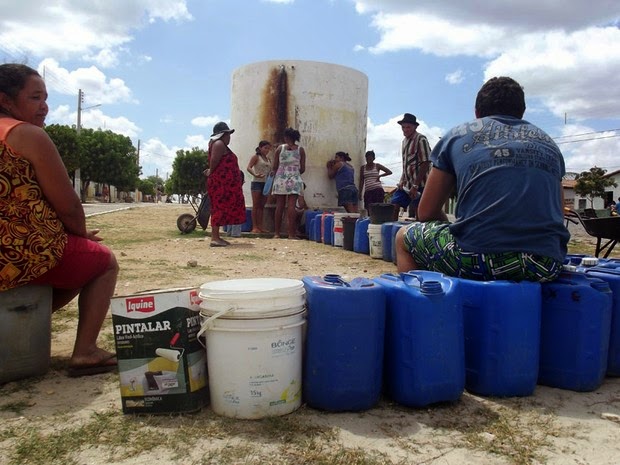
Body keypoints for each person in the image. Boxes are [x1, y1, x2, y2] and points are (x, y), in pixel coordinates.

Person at [0, 63, 119, 377]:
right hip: (16, 253)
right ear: (6, 100)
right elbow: (68, 206)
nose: (44, 106)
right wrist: (82, 236)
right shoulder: (26, 135)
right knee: (102, 261)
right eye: (35, 97)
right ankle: (85, 352)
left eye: (45, 97)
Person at [395, 76, 570, 282]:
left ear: (477, 113)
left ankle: (421, 305)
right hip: (545, 263)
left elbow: (425, 212)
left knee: (403, 236)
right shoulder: (549, 143)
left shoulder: (457, 136)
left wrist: (453, 229)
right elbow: (558, 213)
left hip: (478, 258)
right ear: (522, 112)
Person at [206, 121, 246, 247]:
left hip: (226, 184)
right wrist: (210, 171)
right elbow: (214, 161)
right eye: (228, 134)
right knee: (218, 208)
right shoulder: (218, 144)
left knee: (223, 208)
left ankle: (217, 237)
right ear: (222, 134)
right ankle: (215, 237)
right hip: (220, 184)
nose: (229, 137)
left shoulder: (220, 144)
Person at [393, 113, 431, 219]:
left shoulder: (421, 139)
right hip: (407, 184)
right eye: (403, 127)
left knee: (420, 213)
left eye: (408, 127)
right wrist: (401, 181)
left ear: (415, 127)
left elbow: (426, 162)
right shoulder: (404, 142)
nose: (405, 130)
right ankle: (392, 233)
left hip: (421, 185)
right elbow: (406, 165)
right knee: (393, 205)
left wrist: (416, 185)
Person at [271, 127, 306, 239]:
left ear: (286, 137)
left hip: (281, 177)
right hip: (294, 177)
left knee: (279, 205)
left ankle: (277, 233)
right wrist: (294, 171)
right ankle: (291, 234)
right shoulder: (300, 150)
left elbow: (275, 166)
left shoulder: (279, 149)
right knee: (291, 205)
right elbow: (303, 168)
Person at [246, 140, 272, 233]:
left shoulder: (268, 159)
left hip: (266, 183)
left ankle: (261, 226)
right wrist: (255, 174)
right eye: (265, 148)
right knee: (256, 205)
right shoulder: (256, 157)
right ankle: (255, 226)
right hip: (257, 182)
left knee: (262, 206)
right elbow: (249, 167)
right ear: (260, 148)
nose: (267, 150)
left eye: (268, 148)